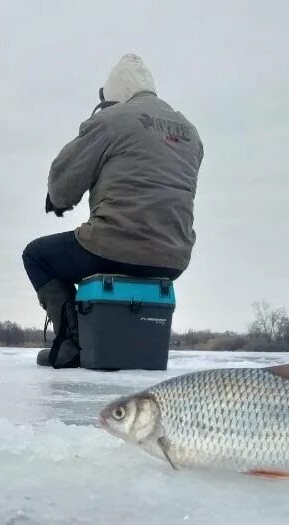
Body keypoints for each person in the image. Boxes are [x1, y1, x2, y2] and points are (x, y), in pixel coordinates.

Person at [23, 53, 204, 368]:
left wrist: (58, 200)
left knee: (37, 256)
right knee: (108, 255)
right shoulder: (191, 133)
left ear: (112, 96)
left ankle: (72, 343)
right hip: (172, 258)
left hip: (113, 245)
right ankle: (117, 340)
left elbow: (63, 184)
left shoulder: (111, 121)